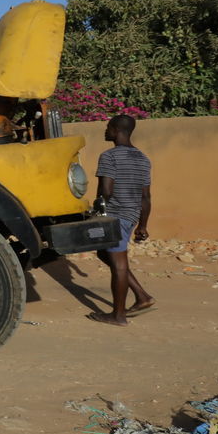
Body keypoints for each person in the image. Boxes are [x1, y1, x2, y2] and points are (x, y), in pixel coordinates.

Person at [88, 114, 155, 326]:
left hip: (115, 216)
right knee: (104, 253)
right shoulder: (143, 158)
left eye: (108, 127)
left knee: (118, 265)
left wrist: (96, 211)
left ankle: (118, 315)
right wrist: (142, 225)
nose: (105, 131)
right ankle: (142, 296)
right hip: (132, 215)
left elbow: (106, 191)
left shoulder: (109, 156)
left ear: (116, 130)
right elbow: (146, 197)